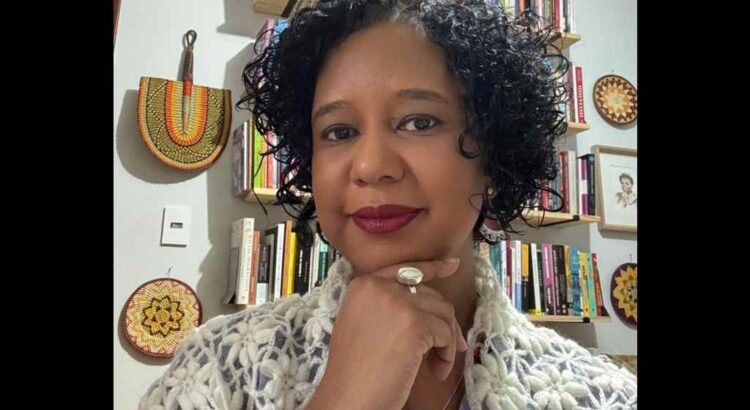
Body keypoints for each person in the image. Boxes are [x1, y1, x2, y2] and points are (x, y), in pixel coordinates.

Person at [140, 1, 637, 409]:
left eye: (419, 122)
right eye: (339, 132)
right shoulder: (215, 371)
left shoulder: (605, 397)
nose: (370, 166)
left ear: (492, 154)